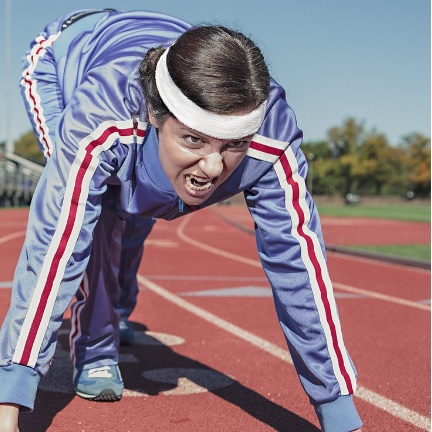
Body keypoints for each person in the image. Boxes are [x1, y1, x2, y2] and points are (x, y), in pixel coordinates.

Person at [0, 8, 363, 432]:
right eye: (194, 138)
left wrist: (336, 405)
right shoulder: (102, 114)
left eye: (233, 145)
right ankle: (96, 347)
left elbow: (299, 265)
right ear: (156, 115)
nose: (211, 167)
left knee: (139, 210)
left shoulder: (272, 138)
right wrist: (12, 386)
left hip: (159, 53)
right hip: (64, 59)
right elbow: (57, 242)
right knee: (96, 211)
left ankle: (115, 308)